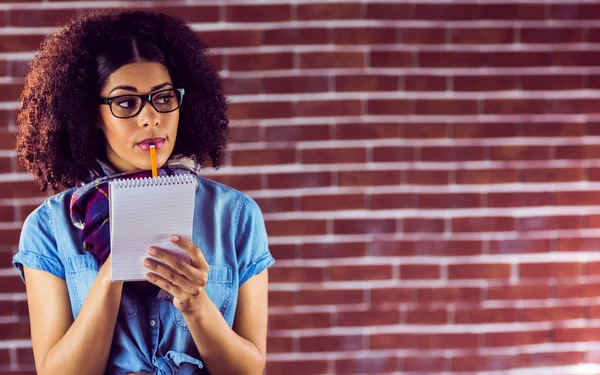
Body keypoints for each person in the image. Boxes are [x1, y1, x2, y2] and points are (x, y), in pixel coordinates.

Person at [11, 9, 274, 375]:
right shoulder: (48, 229)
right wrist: (113, 270)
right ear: (91, 116)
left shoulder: (237, 217)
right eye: (126, 103)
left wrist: (195, 302)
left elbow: (248, 371)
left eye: (163, 98)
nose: (151, 118)